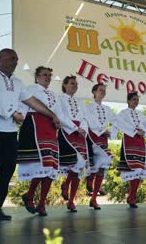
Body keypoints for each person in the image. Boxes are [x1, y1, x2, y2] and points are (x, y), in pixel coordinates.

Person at [0, 50, 60, 221]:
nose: (15, 61)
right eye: (11, 58)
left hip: (11, 132)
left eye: (16, 59)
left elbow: (33, 102)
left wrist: (52, 115)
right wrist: (12, 112)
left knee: (7, 169)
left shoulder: (17, 82)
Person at [18, 66, 64, 216]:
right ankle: (30, 195)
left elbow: (59, 113)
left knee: (51, 166)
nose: (48, 77)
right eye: (44, 74)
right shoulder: (30, 89)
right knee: (41, 164)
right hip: (35, 126)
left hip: (50, 128)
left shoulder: (54, 94)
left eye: (50, 75)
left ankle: (42, 202)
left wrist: (60, 122)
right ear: (37, 76)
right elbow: (24, 107)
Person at [113, 91, 146, 208]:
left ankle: (132, 196)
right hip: (129, 141)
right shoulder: (123, 113)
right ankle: (131, 196)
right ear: (128, 101)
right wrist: (134, 131)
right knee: (132, 169)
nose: (136, 101)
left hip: (140, 142)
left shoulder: (141, 114)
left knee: (140, 170)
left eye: (137, 99)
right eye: (134, 99)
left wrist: (144, 132)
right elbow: (120, 124)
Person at [58, 76, 89, 212]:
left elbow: (85, 117)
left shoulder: (80, 101)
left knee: (80, 163)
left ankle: (71, 198)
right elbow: (60, 115)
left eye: (76, 84)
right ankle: (67, 191)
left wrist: (82, 129)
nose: (74, 85)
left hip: (80, 133)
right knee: (75, 162)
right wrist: (75, 128)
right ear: (64, 85)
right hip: (67, 131)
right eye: (71, 83)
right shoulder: (59, 99)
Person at [84, 83, 116, 210]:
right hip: (92, 137)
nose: (102, 92)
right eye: (100, 90)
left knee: (102, 166)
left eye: (104, 90)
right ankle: (89, 178)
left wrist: (111, 132)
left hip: (103, 138)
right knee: (97, 162)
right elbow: (90, 121)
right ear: (94, 92)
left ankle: (94, 199)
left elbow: (116, 121)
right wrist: (101, 130)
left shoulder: (107, 109)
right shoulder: (88, 107)